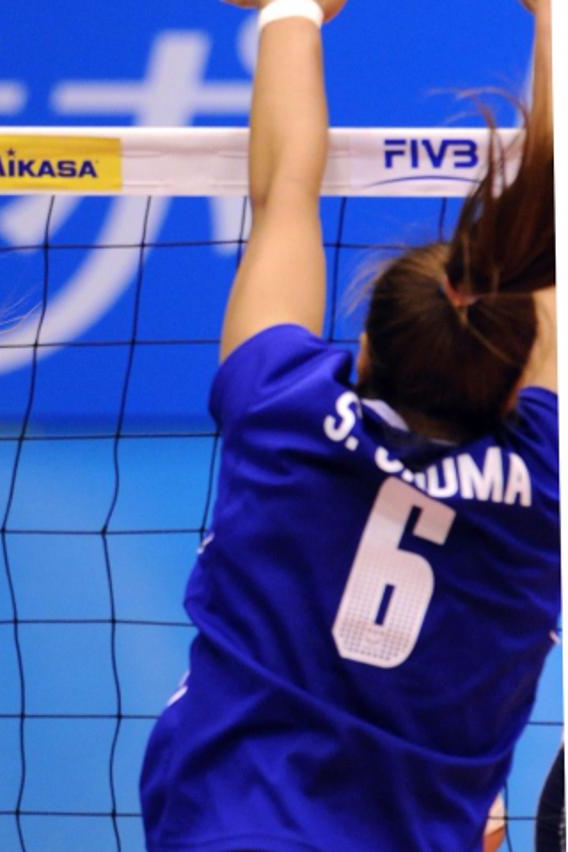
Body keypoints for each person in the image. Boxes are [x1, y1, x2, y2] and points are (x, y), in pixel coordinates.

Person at [139, 0, 557, 849]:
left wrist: (291, 11)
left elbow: (285, 190)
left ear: (363, 347)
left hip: (227, 831)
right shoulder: (543, 485)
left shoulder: (280, 404)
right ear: (512, 383)